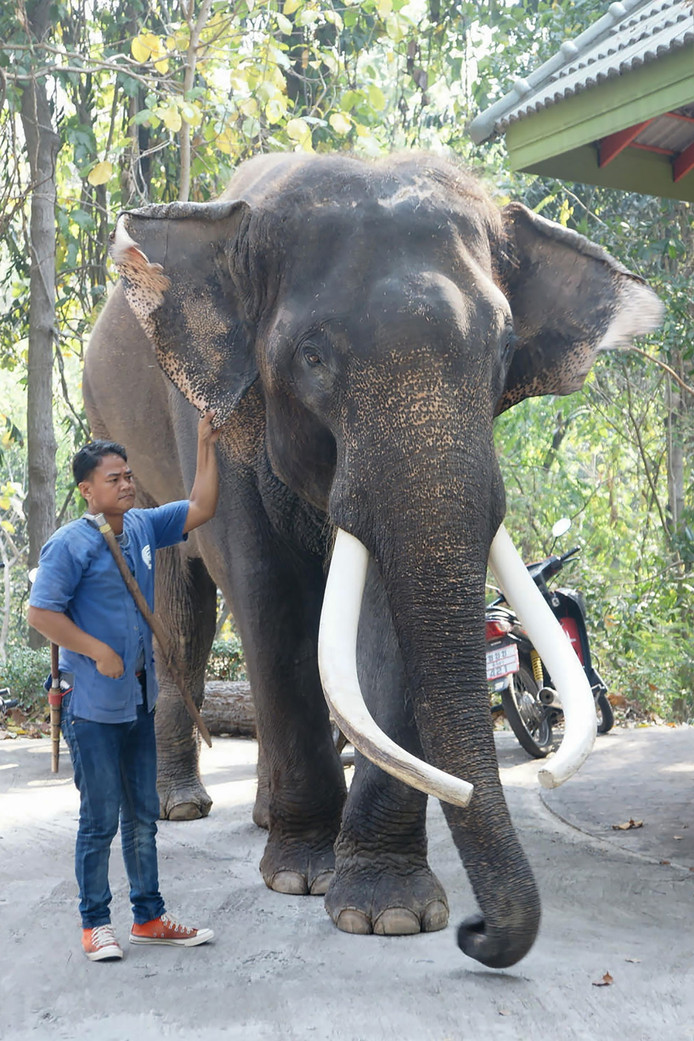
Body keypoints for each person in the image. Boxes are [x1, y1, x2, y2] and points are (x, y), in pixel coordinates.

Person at [28, 411, 220, 962]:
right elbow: (41, 613)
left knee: (141, 816)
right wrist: (97, 650)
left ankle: (149, 918)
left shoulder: (140, 526)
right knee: (99, 821)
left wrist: (205, 446)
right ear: (88, 491)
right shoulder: (69, 545)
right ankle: (94, 925)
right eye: (115, 478)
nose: (127, 483)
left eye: (128, 475)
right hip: (92, 708)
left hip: (141, 701)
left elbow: (201, 508)